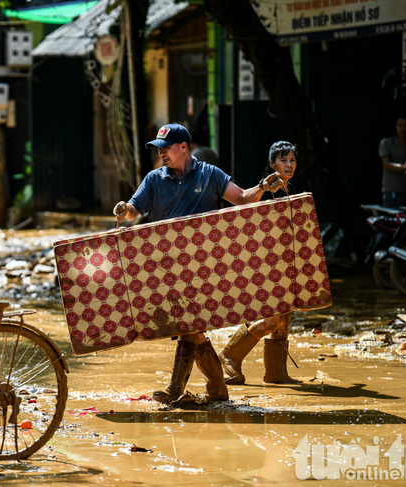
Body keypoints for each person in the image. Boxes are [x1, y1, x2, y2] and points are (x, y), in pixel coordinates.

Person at [113, 123, 284, 404]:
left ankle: (179, 389)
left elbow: (241, 198)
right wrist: (124, 209)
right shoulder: (154, 179)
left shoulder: (210, 174)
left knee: (188, 325)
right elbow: (133, 209)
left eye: (166, 149)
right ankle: (217, 389)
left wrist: (263, 187)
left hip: (205, 269)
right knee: (191, 327)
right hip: (166, 268)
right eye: (159, 150)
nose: (162, 154)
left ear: (183, 147)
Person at [219, 141, 301, 385]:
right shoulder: (267, 192)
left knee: (284, 318)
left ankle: (276, 373)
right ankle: (230, 354)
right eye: (283, 160)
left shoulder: (289, 191)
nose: (289, 164)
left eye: (292, 160)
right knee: (272, 319)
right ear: (271, 164)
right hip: (268, 265)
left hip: (286, 263)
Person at [379, 115, 406, 207]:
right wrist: (404, 167)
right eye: (400, 125)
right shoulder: (386, 143)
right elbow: (386, 164)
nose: (403, 129)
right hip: (391, 192)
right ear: (396, 126)